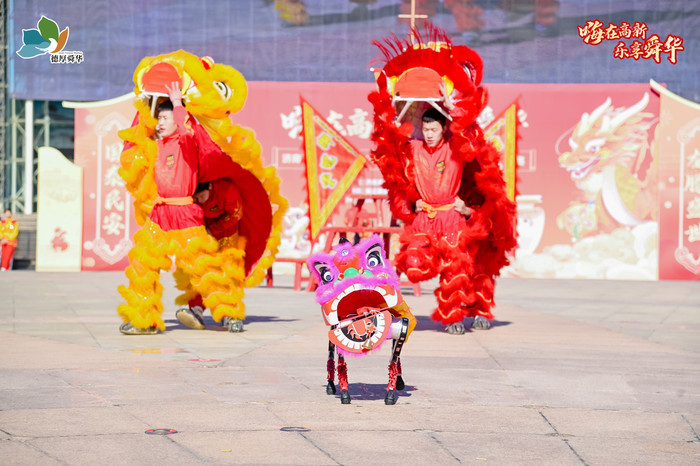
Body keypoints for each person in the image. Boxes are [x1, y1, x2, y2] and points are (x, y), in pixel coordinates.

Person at [118, 82, 223, 335]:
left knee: (201, 267)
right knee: (143, 263)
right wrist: (144, 104)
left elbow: (186, 126)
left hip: (185, 212)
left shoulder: (185, 141)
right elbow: (136, 136)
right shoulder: (158, 144)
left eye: (165, 118)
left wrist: (177, 103)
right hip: (160, 214)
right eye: (159, 118)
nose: (161, 122)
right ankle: (144, 319)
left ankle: (221, 311)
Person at [178, 180, 246, 332]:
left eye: (201, 196)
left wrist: (214, 229)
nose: (199, 201)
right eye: (195, 199)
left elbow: (236, 213)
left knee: (227, 271)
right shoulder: (192, 198)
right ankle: (196, 311)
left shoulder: (227, 189)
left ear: (209, 186)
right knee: (196, 268)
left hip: (227, 232)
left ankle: (231, 314)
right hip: (203, 231)